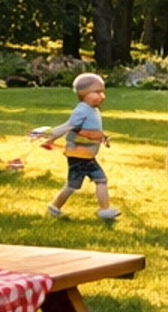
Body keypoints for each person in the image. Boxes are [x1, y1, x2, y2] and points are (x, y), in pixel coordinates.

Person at [37, 71, 119, 221]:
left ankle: (104, 210)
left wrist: (103, 137)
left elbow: (93, 130)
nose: (101, 96)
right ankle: (55, 207)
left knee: (99, 180)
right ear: (83, 93)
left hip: (87, 155)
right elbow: (68, 126)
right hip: (79, 155)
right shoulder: (81, 110)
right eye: (97, 92)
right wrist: (50, 137)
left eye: (102, 92)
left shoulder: (93, 110)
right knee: (73, 185)